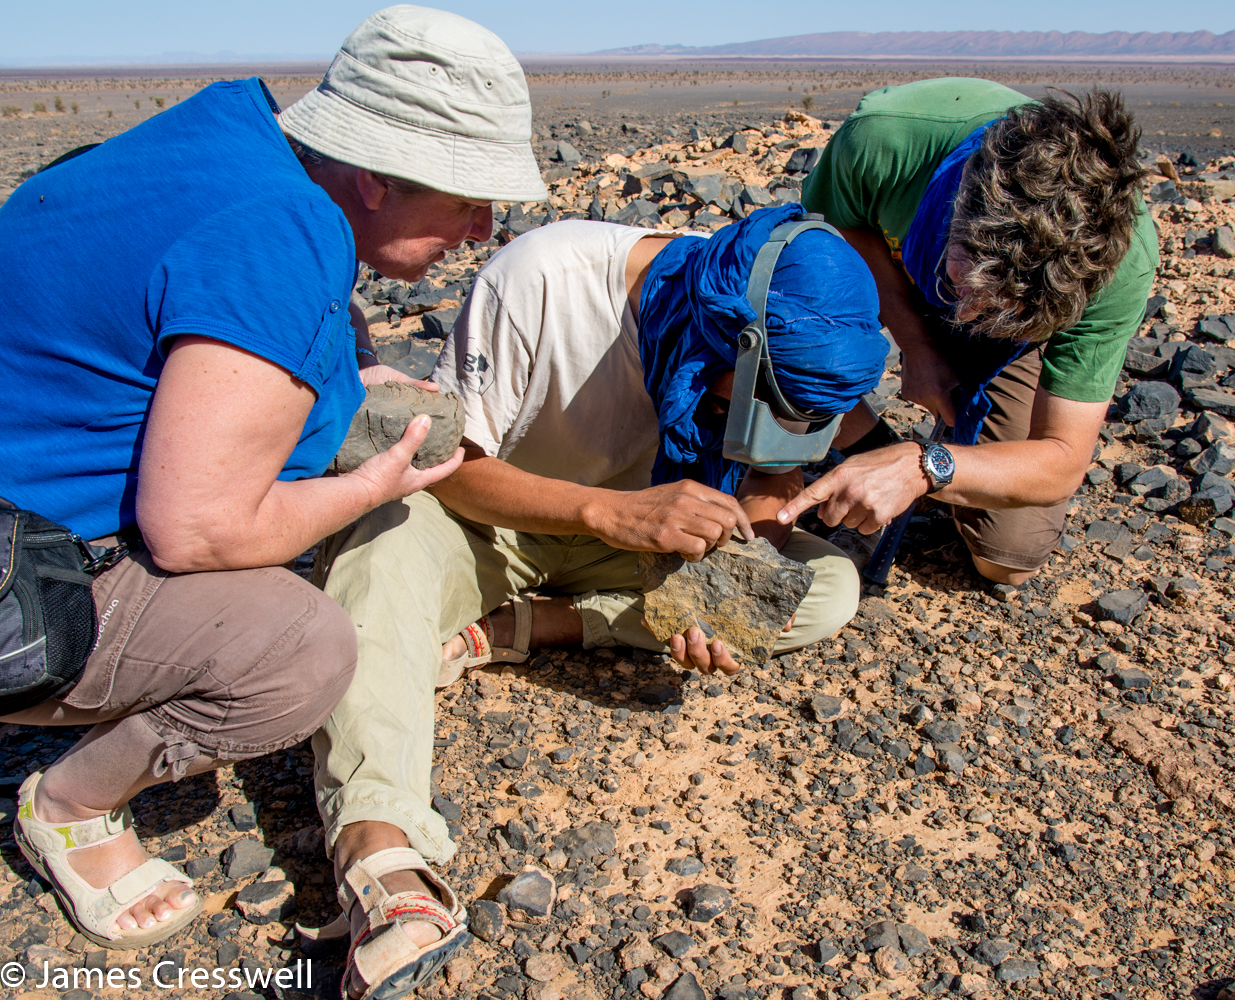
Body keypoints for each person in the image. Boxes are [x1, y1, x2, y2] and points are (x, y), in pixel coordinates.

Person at [0, 5, 543, 952]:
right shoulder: (280, 235)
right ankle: (70, 806)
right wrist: (370, 489)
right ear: (373, 176)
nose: (483, 229)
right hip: (20, 570)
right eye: (466, 199)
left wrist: (336, 378)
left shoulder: (227, 139)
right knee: (298, 648)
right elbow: (198, 530)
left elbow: (190, 324)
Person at [306, 203, 887, 999]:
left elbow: (767, 484)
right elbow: (454, 467)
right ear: (726, 336)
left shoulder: (799, 345)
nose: (734, 419)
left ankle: (529, 626)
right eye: (730, 402)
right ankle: (381, 848)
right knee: (377, 537)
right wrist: (604, 510)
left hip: (646, 547)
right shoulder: (544, 277)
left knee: (828, 589)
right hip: (499, 518)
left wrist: (713, 596)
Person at [790, 78, 1158, 587]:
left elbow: (1063, 460)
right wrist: (917, 343)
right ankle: (866, 448)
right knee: (785, 334)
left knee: (1007, 556)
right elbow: (834, 235)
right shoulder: (884, 142)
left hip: (1018, 329)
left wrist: (927, 466)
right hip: (898, 262)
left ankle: (910, 463)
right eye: (962, 285)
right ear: (960, 201)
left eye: (992, 307)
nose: (960, 321)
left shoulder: (1116, 269)